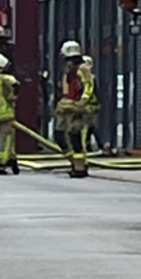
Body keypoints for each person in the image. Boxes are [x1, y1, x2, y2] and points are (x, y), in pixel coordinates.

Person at [55, 40, 89, 178]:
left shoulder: (83, 69)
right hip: (65, 107)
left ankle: (79, 167)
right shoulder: (68, 71)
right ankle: (74, 162)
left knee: (75, 137)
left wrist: (82, 103)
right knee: (59, 136)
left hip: (75, 107)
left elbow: (88, 87)